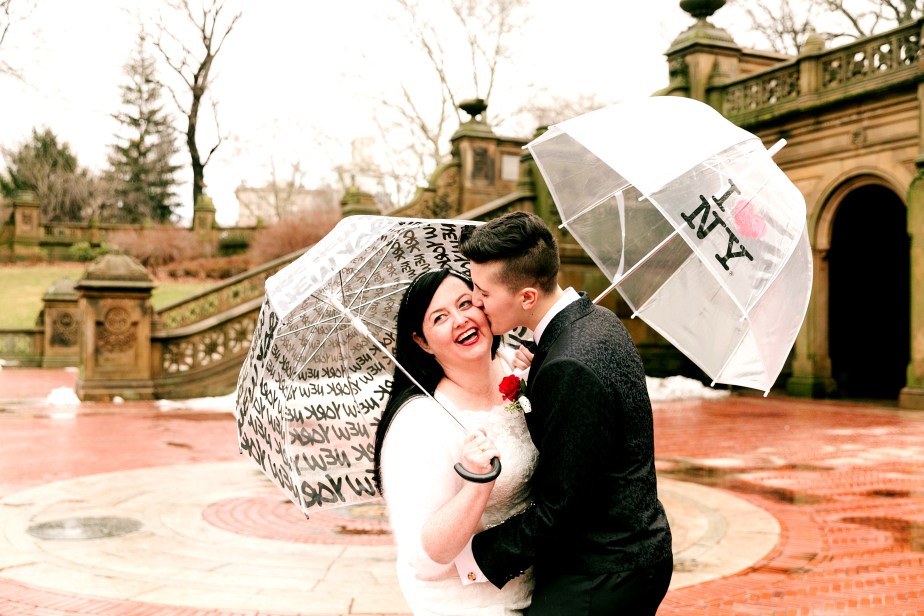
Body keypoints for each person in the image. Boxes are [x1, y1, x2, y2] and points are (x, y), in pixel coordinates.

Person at [456, 211, 673, 615]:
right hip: (636, 553)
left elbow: (564, 507)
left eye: (483, 294)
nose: (476, 303)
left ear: (527, 298)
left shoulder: (568, 364)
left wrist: (472, 559)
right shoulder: (597, 322)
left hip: (602, 573)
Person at [372, 268, 539, 615]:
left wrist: (546, 375)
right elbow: (425, 561)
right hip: (473, 603)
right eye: (441, 317)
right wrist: (477, 484)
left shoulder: (518, 370)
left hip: (543, 587)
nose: (461, 320)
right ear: (421, 341)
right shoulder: (420, 422)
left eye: (467, 303)